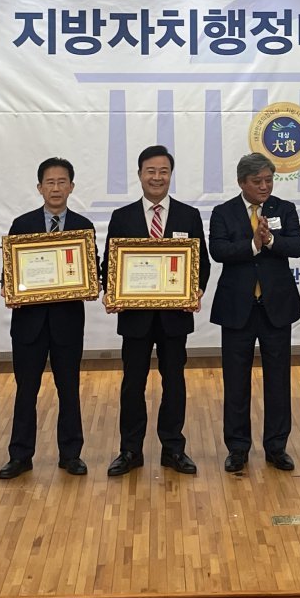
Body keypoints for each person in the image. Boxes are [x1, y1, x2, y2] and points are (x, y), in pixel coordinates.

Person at [104, 144, 210, 476]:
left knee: (174, 383)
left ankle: (173, 449)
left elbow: (202, 264)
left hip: (174, 317)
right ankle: (130, 450)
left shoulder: (188, 215)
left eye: (163, 171)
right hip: (135, 317)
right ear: (139, 175)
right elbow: (110, 265)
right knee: (132, 384)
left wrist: (196, 289)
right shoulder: (122, 217)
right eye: (150, 171)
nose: (157, 177)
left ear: (171, 175)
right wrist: (112, 291)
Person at [209, 151, 300, 473]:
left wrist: (271, 239)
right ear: (242, 183)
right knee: (236, 382)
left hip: (276, 308)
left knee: (278, 381)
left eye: (268, 180)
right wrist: (252, 244)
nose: (264, 186)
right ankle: (237, 448)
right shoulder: (223, 212)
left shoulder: (284, 209)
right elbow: (218, 250)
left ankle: (276, 447)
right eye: (257, 181)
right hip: (237, 308)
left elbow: (298, 246)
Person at [1, 156, 93, 479]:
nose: (56, 188)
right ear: (39, 188)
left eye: (61, 182)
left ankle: (71, 454)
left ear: (71, 187)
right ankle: (20, 455)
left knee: (69, 389)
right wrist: (11, 287)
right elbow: (9, 270)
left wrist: (89, 283)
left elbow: (90, 271)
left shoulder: (83, 226)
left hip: (67, 323)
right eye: (49, 182)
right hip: (29, 324)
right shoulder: (21, 225)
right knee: (26, 391)